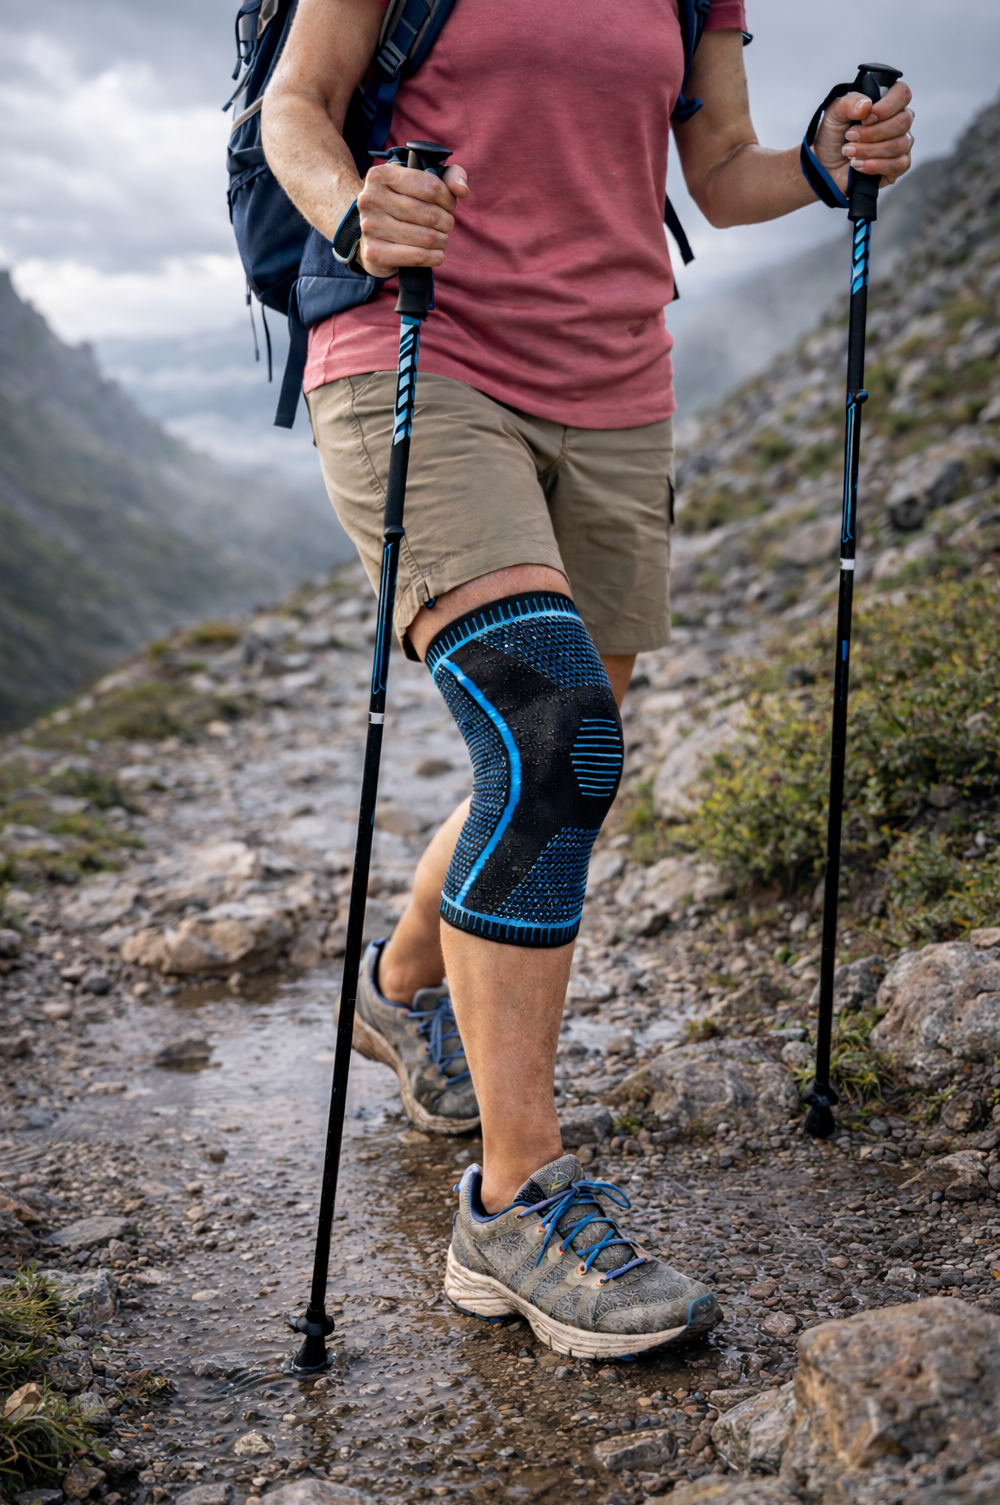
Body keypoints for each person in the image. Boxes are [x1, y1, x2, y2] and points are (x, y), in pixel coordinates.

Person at [262, 1, 914, 1356]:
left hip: (617, 383)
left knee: (554, 758)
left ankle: (399, 985)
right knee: (554, 743)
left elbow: (717, 172)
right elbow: (297, 106)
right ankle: (513, 1205)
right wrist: (354, 211)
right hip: (416, 348)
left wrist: (821, 160)